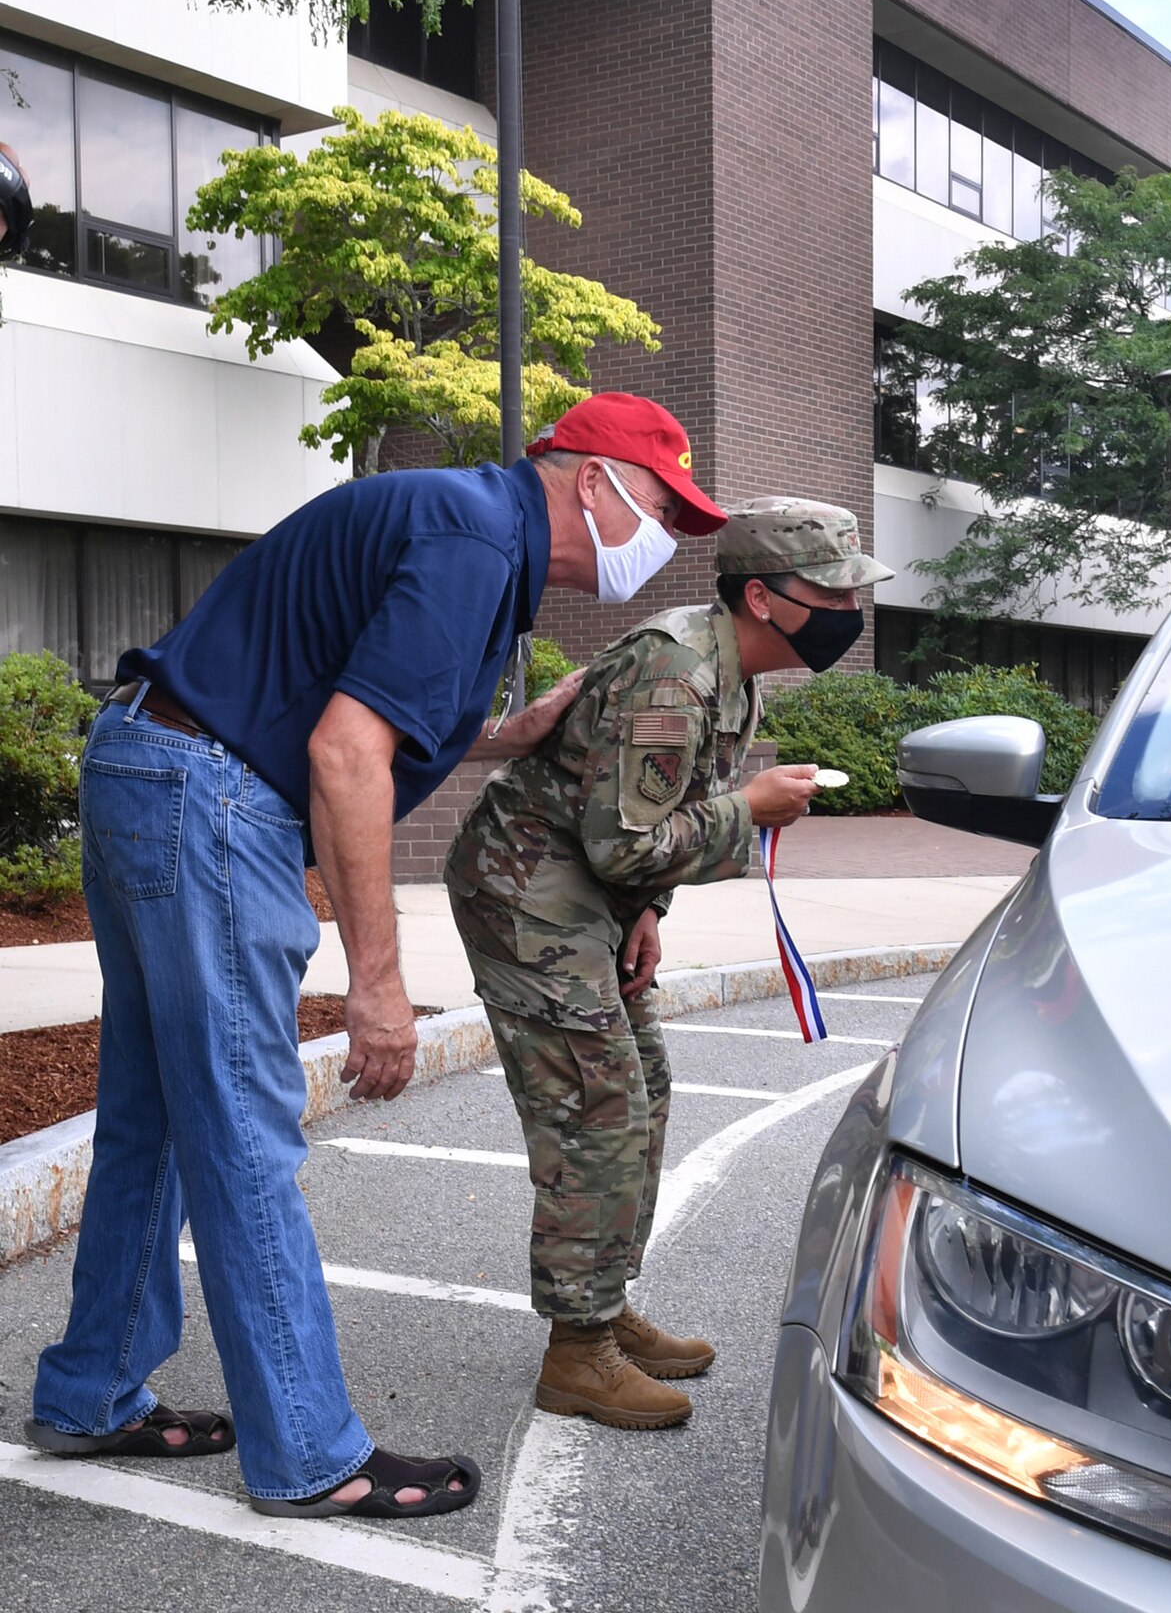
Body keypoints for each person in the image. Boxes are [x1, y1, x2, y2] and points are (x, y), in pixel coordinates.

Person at [26, 392, 726, 1520]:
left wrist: (501, 732)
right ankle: (307, 1451)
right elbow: (346, 754)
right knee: (247, 1130)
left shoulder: (467, 534)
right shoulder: (470, 540)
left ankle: (92, 1388)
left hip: (153, 764)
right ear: (592, 479)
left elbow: (351, 704)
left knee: (154, 1111)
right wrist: (380, 987)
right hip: (206, 789)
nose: (661, 540)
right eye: (660, 506)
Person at [445, 497, 893, 1429]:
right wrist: (750, 811)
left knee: (640, 1080)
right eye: (831, 589)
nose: (850, 608)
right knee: (596, 1103)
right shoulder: (676, 673)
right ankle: (577, 1353)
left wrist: (648, 909)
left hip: (588, 891)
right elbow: (626, 839)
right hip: (527, 890)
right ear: (765, 599)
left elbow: (641, 839)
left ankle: (601, 1310)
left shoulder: (733, 671)